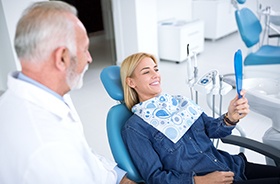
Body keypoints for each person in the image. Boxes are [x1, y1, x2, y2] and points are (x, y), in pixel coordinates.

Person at [0, 1, 135, 184]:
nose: (90, 58)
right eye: (85, 49)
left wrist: (118, 177)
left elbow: (82, 152)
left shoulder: (47, 94)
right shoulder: (48, 150)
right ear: (62, 58)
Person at [120, 52, 280, 184]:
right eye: (147, 72)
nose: (156, 75)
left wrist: (230, 117)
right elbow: (155, 178)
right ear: (131, 82)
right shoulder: (135, 128)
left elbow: (210, 128)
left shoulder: (179, 102)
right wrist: (199, 181)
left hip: (232, 165)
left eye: (156, 69)